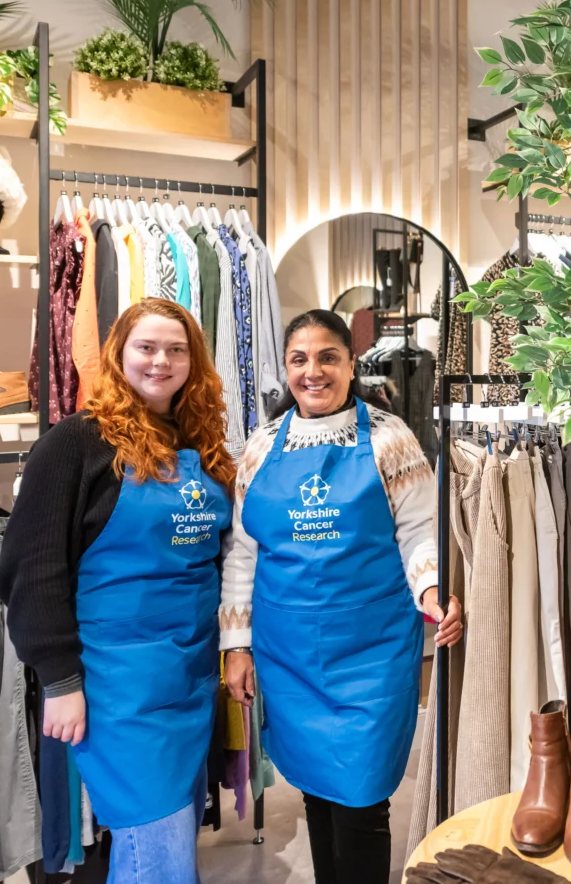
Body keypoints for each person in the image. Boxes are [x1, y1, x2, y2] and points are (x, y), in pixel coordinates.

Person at [0, 299, 235, 884]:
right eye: (146, 348)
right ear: (118, 355)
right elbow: (32, 570)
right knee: (160, 849)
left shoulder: (201, 444)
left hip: (189, 676)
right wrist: (60, 681)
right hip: (117, 686)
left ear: (194, 362)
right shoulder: (75, 443)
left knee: (169, 838)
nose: (161, 361)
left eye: (176, 350)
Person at [221, 309, 462, 884]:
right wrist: (236, 645)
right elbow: (243, 554)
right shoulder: (258, 449)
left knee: (361, 799)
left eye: (328, 357)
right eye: (300, 359)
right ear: (286, 368)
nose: (314, 371)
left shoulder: (391, 439)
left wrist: (431, 588)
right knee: (317, 791)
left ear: (352, 364)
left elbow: (419, 532)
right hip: (288, 657)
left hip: (370, 656)